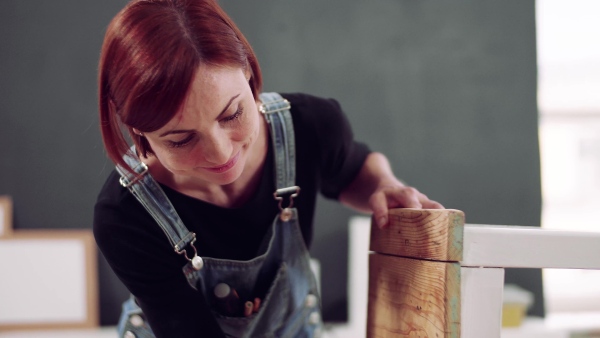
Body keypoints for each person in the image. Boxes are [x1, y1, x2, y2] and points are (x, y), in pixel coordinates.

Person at [93, 0, 444, 337]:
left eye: (232, 114)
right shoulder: (124, 217)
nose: (220, 153)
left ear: (247, 71)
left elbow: (353, 169)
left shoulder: (312, 126)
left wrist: (383, 185)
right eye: (181, 140)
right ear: (136, 129)